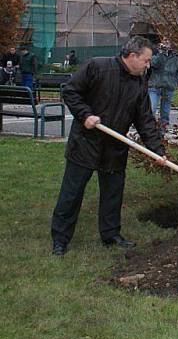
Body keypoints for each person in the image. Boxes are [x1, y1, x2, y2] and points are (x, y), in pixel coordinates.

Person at [50, 37, 166, 256]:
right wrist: (85, 115)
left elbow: (145, 120)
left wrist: (156, 151)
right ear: (132, 57)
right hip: (85, 143)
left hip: (114, 146)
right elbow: (70, 91)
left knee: (113, 193)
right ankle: (60, 239)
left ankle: (111, 234)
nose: (148, 65)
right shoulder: (98, 67)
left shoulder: (139, 82)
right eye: (146, 60)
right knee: (72, 193)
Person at [148, 38, 178, 132]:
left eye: (168, 41)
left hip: (168, 86)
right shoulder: (156, 52)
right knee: (151, 108)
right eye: (164, 40)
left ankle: (162, 131)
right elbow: (153, 63)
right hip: (155, 85)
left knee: (165, 112)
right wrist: (161, 53)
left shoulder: (177, 56)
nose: (166, 42)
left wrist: (175, 79)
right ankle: (150, 129)